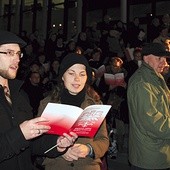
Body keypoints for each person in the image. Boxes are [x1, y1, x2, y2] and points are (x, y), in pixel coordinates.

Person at [0, 30, 78, 170]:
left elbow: (32, 145)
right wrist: (20, 134)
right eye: (9, 52)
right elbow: (21, 137)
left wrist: (57, 144)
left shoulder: (20, 95)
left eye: (18, 54)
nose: (17, 59)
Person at [38, 53, 109, 170]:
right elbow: (39, 141)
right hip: (57, 165)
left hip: (87, 165)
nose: (77, 79)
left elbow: (103, 140)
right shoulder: (47, 104)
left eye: (82, 74)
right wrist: (60, 151)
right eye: (71, 73)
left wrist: (89, 149)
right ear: (62, 76)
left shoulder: (95, 105)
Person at [127, 42, 170, 170]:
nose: (164, 62)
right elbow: (152, 121)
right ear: (146, 58)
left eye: (165, 59)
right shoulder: (142, 82)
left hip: (159, 152)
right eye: (159, 58)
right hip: (150, 157)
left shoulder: (155, 77)